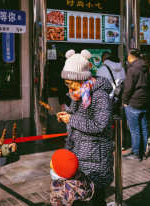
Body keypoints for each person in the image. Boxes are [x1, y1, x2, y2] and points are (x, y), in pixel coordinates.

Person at [57, 49, 114, 206]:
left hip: (96, 157)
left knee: (96, 199)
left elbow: (101, 125)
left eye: (69, 82)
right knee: (80, 198)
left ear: (79, 78)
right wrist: (67, 117)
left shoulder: (99, 94)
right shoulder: (78, 93)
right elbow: (79, 119)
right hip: (80, 154)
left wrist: (72, 119)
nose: (67, 86)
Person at [122, 48, 150, 162]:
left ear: (130, 58)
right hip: (144, 102)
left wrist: (125, 101)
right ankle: (143, 153)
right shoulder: (146, 68)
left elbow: (128, 88)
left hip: (133, 102)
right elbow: (149, 85)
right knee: (143, 129)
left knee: (135, 130)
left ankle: (136, 154)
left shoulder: (131, 70)